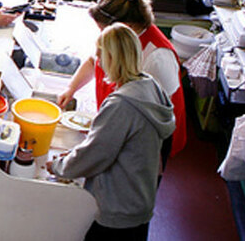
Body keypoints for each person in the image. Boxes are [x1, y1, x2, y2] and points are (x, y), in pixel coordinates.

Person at [48, 24, 175, 241]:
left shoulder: (122, 104)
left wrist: (59, 166)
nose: (97, 61)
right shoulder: (150, 85)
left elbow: (95, 154)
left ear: (111, 58)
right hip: (140, 200)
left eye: (100, 55)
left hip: (118, 209)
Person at [57, 0, 188, 159]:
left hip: (147, 137)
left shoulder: (157, 57)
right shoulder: (115, 37)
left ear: (128, 27)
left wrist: (106, 130)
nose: (101, 34)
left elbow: (154, 115)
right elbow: (93, 62)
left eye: (103, 29)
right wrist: (71, 88)